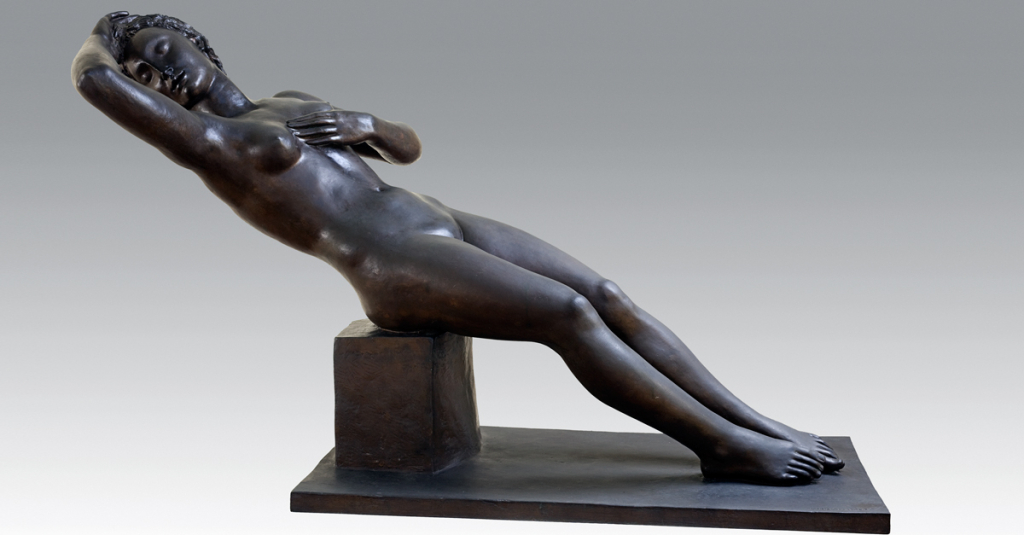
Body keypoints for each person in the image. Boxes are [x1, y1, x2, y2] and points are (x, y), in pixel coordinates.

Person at [73, 12, 843, 485]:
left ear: (200, 44)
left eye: (164, 47)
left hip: (434, 218)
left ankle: (753, 421)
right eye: (145, 68)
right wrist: (104, 36)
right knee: (568, 313)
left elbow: (406, 150)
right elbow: (96, 84)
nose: (159, 70)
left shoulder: (290, 102)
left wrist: (366, 122)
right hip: (390, 264)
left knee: (608, 294)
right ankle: (721, 445)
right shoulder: (209, 143)